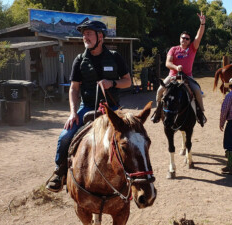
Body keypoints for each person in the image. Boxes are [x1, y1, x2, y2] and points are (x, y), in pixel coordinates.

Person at [46, 20, 132, 192]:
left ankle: (135, 177)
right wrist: (72, 113)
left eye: (89, 33)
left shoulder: (115, 57)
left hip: (113, 109)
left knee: (132, 139)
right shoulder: (79, 60)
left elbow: (128, 82)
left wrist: (112, 83)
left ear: (100, 36)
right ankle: (59, 172)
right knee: (65, 136)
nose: (85, 37)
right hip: (86, 108)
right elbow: (74, 89)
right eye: (83, 34)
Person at [151, 12, 207, 127]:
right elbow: (167, 63)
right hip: (172, 76)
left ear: (189, 40)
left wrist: (202, 24)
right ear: (180, 38)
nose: (184, 40)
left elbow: (199, 36)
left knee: (196, 90)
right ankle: (158, 112)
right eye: (183, 38)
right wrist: (176, 67)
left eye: (187, 38)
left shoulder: (192, 48)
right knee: (160, 90)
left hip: (187, 76)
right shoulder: (173, 49)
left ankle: (200, 114)